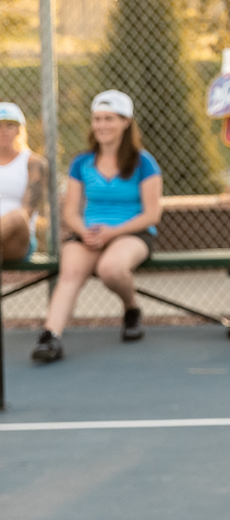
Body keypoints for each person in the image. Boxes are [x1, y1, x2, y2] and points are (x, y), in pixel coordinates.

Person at [32, 90, 163, 364]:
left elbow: (152, 215)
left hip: (133, 232)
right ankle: (51, 336)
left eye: (109, 119)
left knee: (110, 269)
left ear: (126, 122)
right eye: (97, 119)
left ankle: (131, 310)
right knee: (70, 273)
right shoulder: (82, 163)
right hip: (89, 234)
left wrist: (112, 233)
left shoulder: (144, 162)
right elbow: (70, 211)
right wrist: (83, 231)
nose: (102, 125)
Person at [0, 103, 48, 262]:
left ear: (20, 129)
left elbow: (26, 214)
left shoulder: (33, 162)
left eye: (10, 125)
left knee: (17, 216)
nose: (4, 130)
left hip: (18, 239)